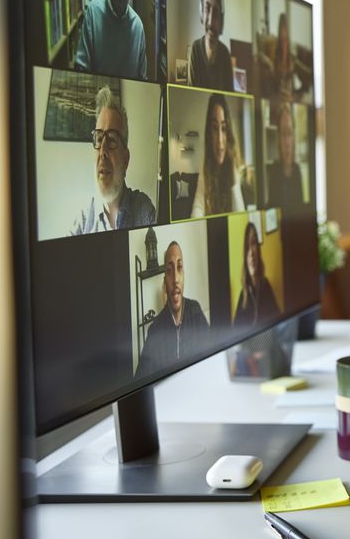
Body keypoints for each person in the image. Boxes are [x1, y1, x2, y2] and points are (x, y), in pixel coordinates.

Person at [70, 84, 155, 234]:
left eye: (111, 140)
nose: (102, 151)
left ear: (125, 159)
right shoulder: (82, 220)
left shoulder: (143, 209)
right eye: (99, 138)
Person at [137, 241, 209, 376]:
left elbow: (212, 361)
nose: (175, 278)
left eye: (179, 267)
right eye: (169, 271)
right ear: (165, 281)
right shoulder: (155, 331)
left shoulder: (196, 311)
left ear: (184, 275)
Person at [191, 93, 246, 217]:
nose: (220, 140)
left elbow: (242, 218)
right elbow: (198, 207)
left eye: (224, 128)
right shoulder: (205, 165)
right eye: (215, 128)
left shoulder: (238, 169)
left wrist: (234, 181)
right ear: (209, 133)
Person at [186, 0, 233, 91]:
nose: (211, 22)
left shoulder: (225, 54)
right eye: (207, 8)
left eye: (216, 12)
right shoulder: (195, 49)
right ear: (201, 11)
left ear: (221, 18)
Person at [234, 221, 279, 327]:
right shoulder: (243, 295)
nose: (251, 253)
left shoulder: (266, 286)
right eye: (247, 246)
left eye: (253, 243)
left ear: (258, 250)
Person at [265, 102, 304, 208]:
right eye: (283, 134)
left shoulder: (297, 171)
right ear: (278, 138)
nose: (287, 142)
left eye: (290, 133)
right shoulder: (274, 172)